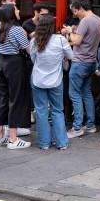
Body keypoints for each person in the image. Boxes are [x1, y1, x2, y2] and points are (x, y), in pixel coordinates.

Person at [61, 0, 100, 138]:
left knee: (74, 94)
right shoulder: (97, 19)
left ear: (80, 8)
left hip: (80, 62)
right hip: (91, 61)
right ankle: (90, 125)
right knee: (86, 92)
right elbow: (86, 35)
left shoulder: (85, 21)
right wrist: (73, 29)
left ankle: (77, 127)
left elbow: (77, 41)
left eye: (75, 11)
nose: (75, 15)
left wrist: (69, 32)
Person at [30, 15, 72, 150]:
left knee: (41, 111)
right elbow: (71, 56)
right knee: (57, 111)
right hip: (56, 80)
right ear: (52, 26)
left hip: (38, 80)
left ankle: (44, 143)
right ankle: (61, 142)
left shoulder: (35, 41)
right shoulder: (60, 40)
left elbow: (33, 59)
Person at [0, 4, 32, 149]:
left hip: (2, 63)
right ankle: (13, 139)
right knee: (15, 100)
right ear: (11, 14)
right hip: (15, 64)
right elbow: (28, 49)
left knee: (2, 99)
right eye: (16, 9)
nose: (19, 10)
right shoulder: (16, 30)